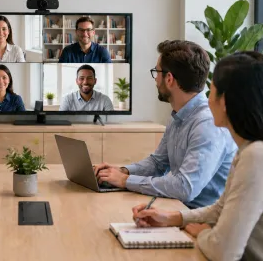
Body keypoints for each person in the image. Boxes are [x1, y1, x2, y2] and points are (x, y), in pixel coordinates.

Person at [131, 51, 263, 261]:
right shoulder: (256, 148)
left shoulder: (258, 157)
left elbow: (223, 252)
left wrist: (201, 232)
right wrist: (173, 218)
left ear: (225, 101)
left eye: (211, 90)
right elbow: (221, 208)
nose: (206, 98)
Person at [94, 40, 237, 208]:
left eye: (157, 72)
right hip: (175, 208)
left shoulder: (207, 124)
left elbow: (185, 188)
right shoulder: (179, 114)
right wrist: (123, 171)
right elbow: (158, 163)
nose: (155, 80)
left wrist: (126, 181)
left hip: (198, 219)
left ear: (169, 79)